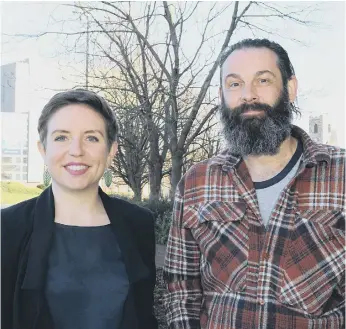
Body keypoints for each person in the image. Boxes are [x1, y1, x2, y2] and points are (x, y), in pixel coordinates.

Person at [163, 39, 345, 329]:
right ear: (222, 95)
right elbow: (181, 289)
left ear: (291, 88)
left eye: (263, 80)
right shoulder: (196, 183)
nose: (248, 95)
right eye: (234, 84)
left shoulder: (340, 175)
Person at [2, 89, 158, 329]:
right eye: (61, 137)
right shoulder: (8, 227)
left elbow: (143, 315)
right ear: (43, 149)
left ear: (111, 151)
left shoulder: (139, 224)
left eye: (92, 138)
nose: (76, 150)